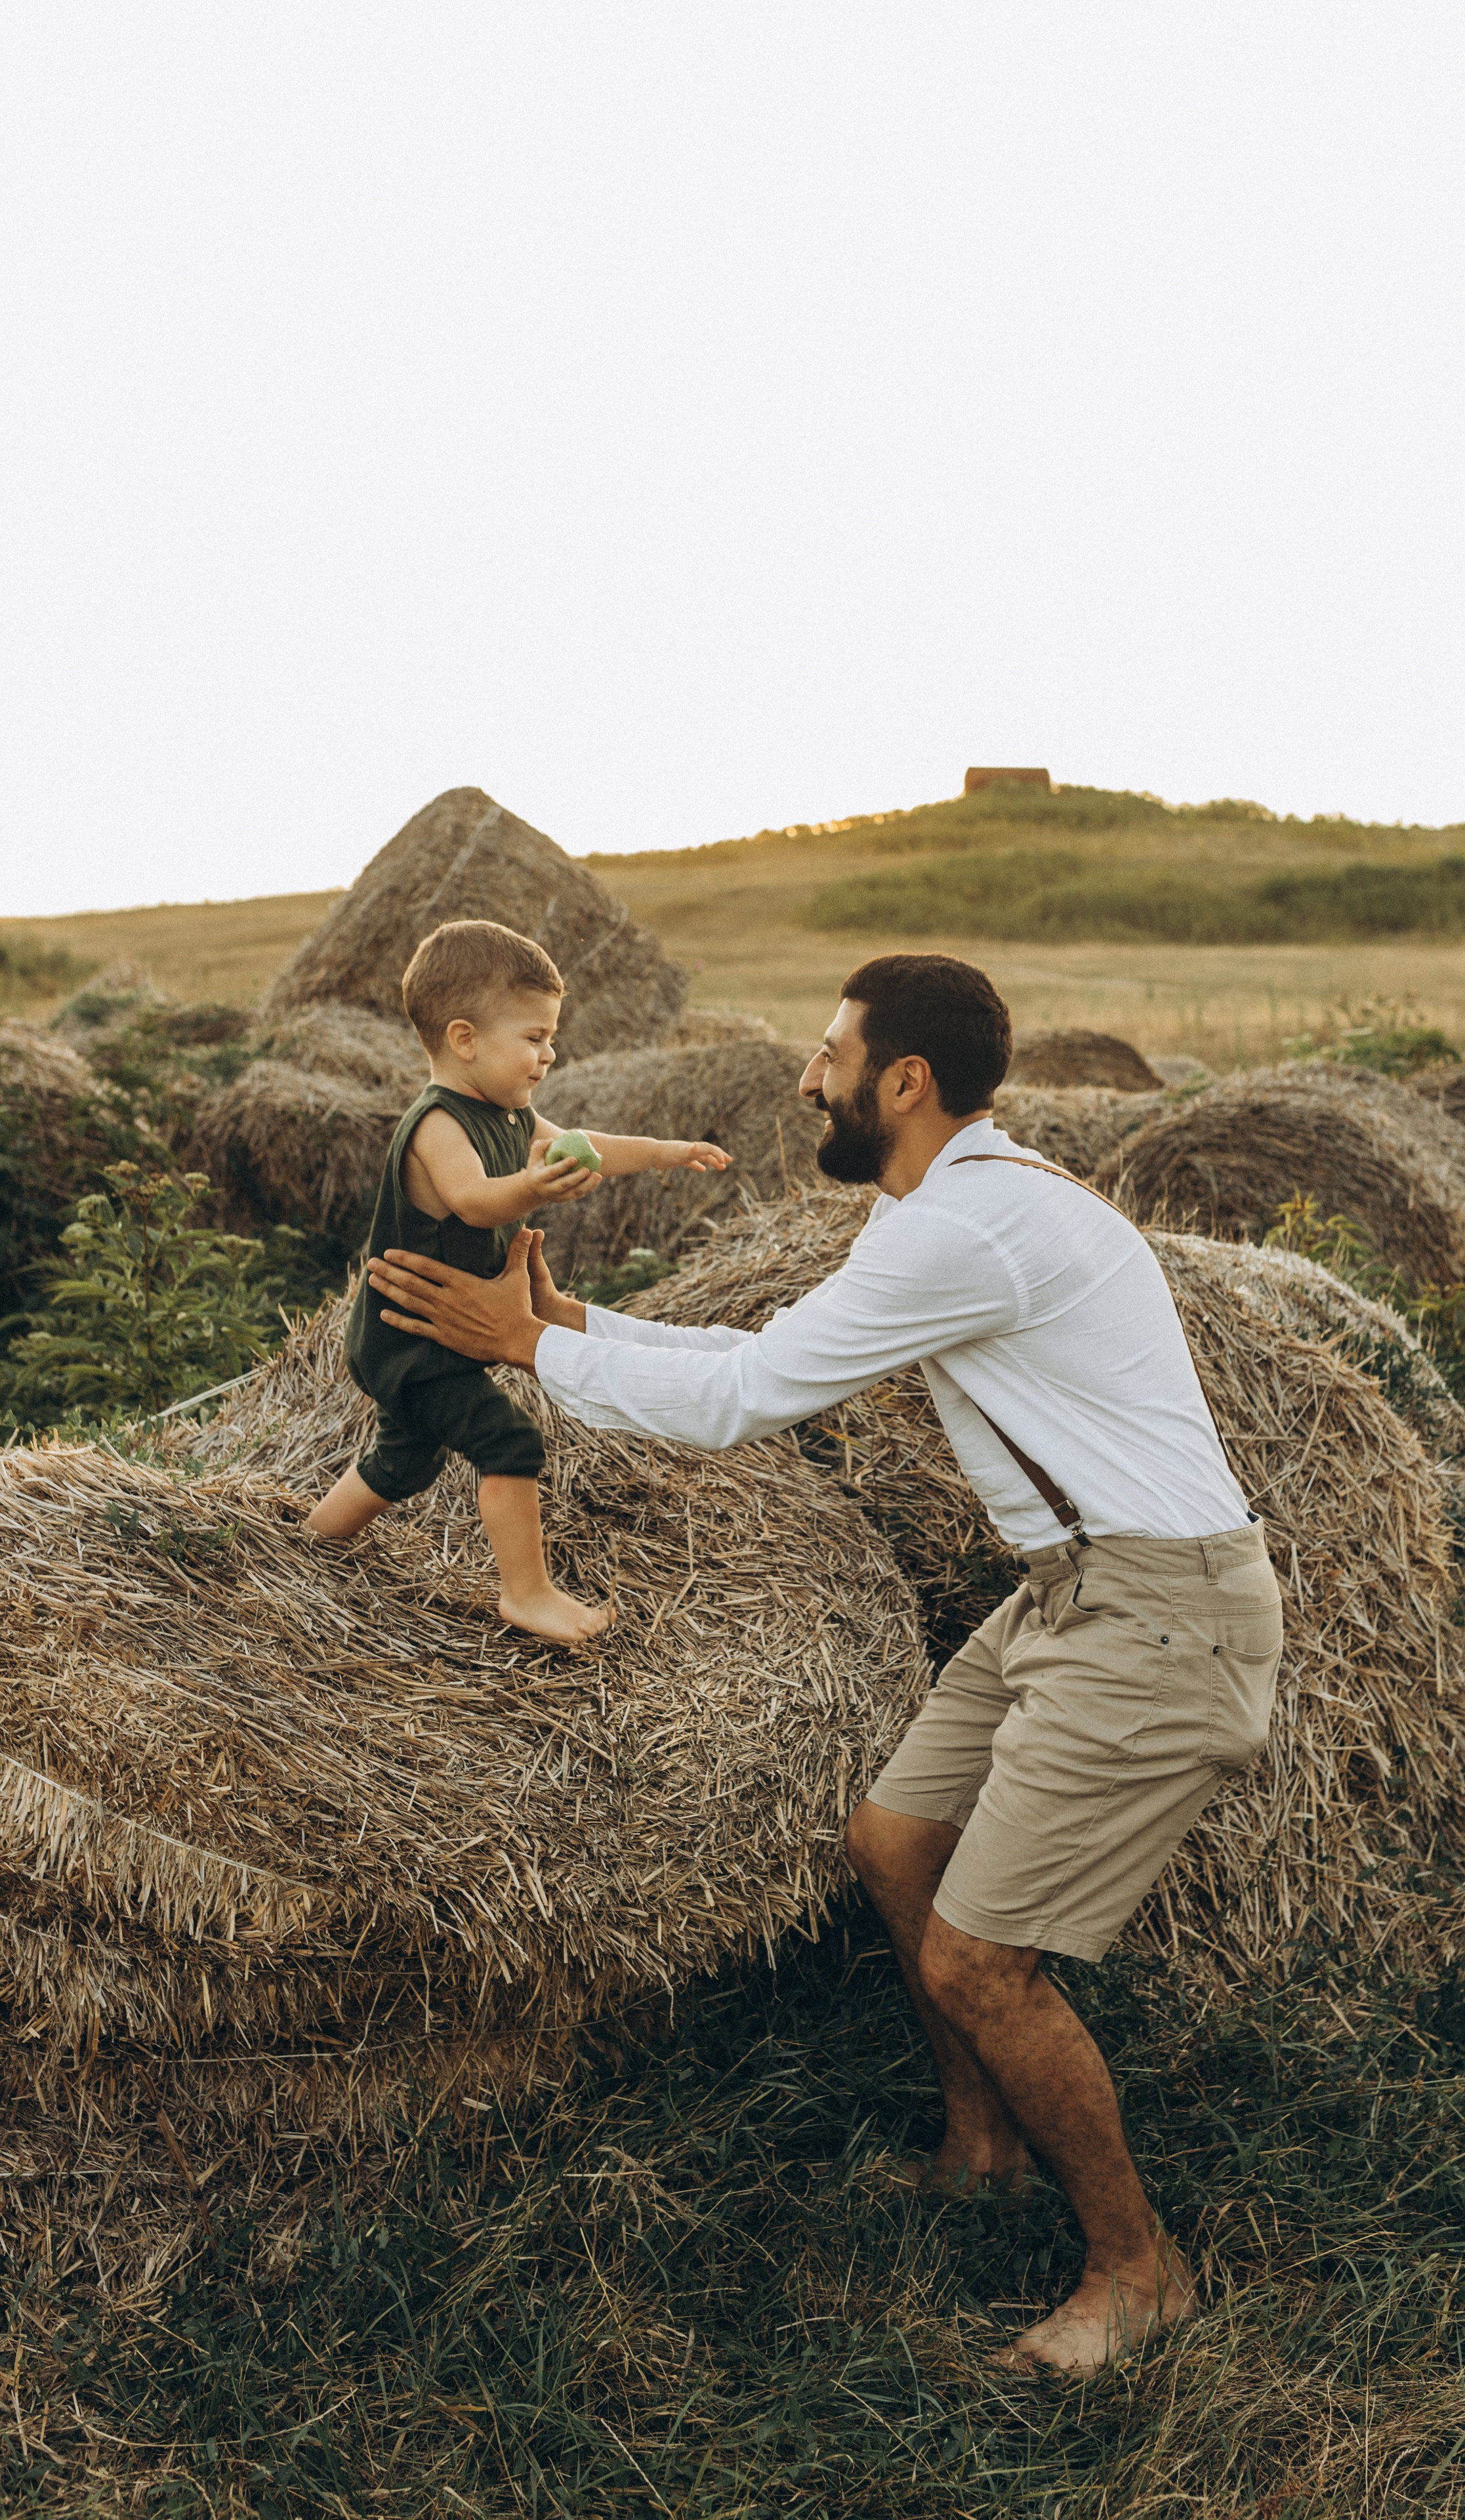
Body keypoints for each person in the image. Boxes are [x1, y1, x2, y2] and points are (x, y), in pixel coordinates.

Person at [362, 952, 1285, 2372]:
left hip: (1158, 1612)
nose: (806, 1075)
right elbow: (766, 1352)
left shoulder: (954, 1233)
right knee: (890, 1841)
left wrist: (526, 1350)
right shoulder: (963, 1198)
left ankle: (1135, 2269)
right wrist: (565, 1326)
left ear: (902, 1083)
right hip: (1071, 1588)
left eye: (831, 1053)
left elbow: (743, 1403)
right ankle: (981, 2146)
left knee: (982, 1962)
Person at [306, 917, 731, 1645]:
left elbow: (583, 1146)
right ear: (465, 1038)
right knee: (511, 1443)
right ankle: (525, 1594)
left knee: (403, 1459)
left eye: (550, 1037)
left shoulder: (510, 1112)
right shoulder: (437, 1124)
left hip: (441, 1333)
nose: (548, 1055)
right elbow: (473, 1199)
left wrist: (662, 1152)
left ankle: (309, 1542)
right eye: (533, 1038)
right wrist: (534, 1188)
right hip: (408, 1337)